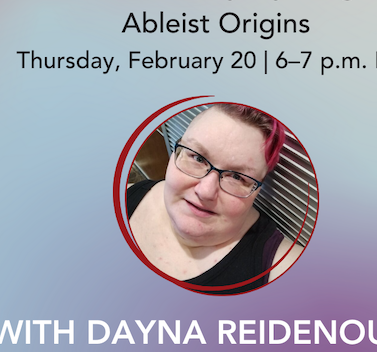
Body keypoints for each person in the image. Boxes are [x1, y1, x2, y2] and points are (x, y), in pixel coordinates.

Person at [127, 104, 304, 294]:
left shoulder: (279, 267)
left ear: (257, 190)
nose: (205, 192)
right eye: (197, 158)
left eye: (237, 177)